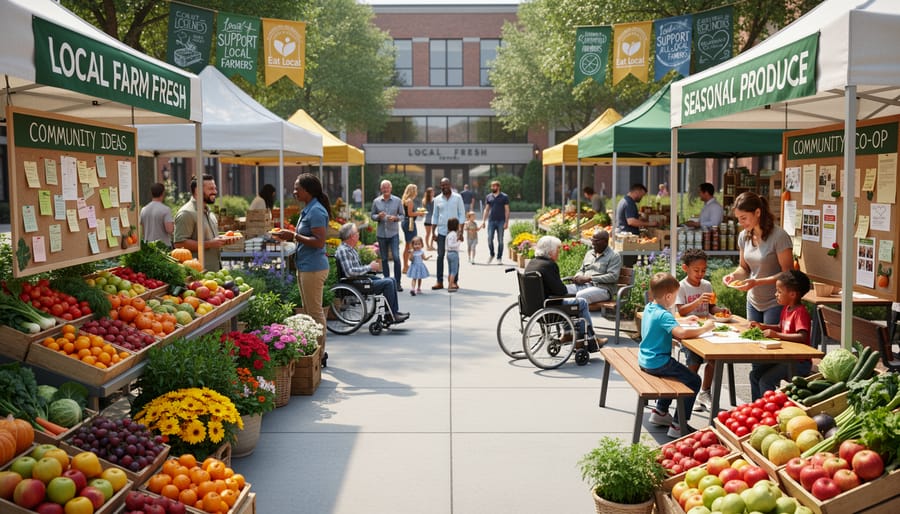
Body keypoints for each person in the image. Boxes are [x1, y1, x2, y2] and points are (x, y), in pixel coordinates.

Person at [641, 272, 714, 438]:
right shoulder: (664, 314)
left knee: (676, 374)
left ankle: (660, 412)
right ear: (668, 296)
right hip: (658, 362)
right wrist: (705, 328)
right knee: (694, 380)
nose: (675, 299)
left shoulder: (650, 307)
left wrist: (685, 321)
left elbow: (667, 323)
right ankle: (678, 425)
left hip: (646, 359)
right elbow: (680, 334)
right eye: (674, 296)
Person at [273, 173, 331, 366]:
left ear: (308, 190)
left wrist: (294, 236)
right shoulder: (309, 209)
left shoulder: (316, 211)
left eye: (298, 188)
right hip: (306, 266)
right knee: (309, 311)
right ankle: (315, 351)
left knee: (315, 312)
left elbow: (319, 241)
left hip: (313, 268)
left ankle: (320, 353)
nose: (294, 192)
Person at [724, 191, 794, 327]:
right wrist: (733, 276)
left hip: (775, 301)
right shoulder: (744, 236)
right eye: (738, 218)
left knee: (769, 344)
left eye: (743, 218)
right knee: (752, 342)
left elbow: (788, 273)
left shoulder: (779, 236)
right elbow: (744, 268)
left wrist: (756, 282)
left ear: (757, 212)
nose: (740, 223)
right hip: (753, 301)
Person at [675, 249, 732, 411]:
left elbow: (712, 307)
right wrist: (698, 300)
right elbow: (682, 311)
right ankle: (689, 394)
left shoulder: (706, 285)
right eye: (696, 270)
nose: (700, 274)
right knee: (694, 362)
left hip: (706, 328)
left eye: (704, 270)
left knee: (714, 359)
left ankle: (705, 392)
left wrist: (722, 311)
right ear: (685, 268)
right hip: (689, 332)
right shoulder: (682, 286)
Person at [525, 236, 605, 350]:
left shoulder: (532, 262)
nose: (559, 252)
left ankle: (568, 334)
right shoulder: (550, 265)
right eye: (558, 249)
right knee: (581, 302)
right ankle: (590, 339)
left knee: (569, 300)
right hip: (549, 306)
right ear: (550, 251)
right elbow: (561, 291)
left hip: (532, 306)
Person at [747, 270, 813, 400]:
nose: (776, 294)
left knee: (765, 381)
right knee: (754, 375)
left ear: (793, 294)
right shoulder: (787, 308)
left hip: (798, 363)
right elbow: (781, 327)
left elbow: (802, 336)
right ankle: (756, 407)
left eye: (779, 292)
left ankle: (767, 410)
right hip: (785, 359)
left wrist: (776, 334)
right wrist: (764, 326)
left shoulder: (800, 312)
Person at [335, 222, 409, 322]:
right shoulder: (343, 250)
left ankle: (392, 313)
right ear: (351, 236)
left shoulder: (350, 249)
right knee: (387, 283)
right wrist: (369, 267)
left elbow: (355, 269)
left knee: (391, 280)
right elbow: (349, 272)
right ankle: (390, 315)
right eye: (357, 232)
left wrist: (369, 268)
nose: (359, 234)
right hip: (355, 283)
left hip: (360, 279)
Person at [173, 175, 228, 271]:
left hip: (215, 270)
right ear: (198, 190)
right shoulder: (186, 213)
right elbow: (179, 244)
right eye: (211, 189)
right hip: (197, 273)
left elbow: (210, 240)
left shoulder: (209, 211)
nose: (215, 192)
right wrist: (210, 244)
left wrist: (223, 240)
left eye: (215, 188)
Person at [566, 230, 621, 304]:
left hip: (603, 289)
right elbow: (582, 270)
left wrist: (590, 278)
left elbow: (613, 276)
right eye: (592, 240)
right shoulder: (589, 253)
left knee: (581, 295)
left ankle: (581, 314)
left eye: (596, 241)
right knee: (563, 289)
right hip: (584, 285)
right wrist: (578, 277)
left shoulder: (614, 256)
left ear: (605, 241)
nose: (593, 243)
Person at [432, 177, 466, 290]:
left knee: (454, 257)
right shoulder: (437, 199)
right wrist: (433, 232)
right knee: (440, 256)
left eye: (446, 184)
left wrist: (460, 231)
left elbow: (462, 214)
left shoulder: (457, 198)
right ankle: (439, 281)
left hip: (454, 232)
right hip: (441, 232)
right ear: (440, 186)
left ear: (450, 185)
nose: (444, 187)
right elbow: (435, 216)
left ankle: (454, 282)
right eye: (442, 185)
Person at [371, 180, 405, 291]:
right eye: (383, 188)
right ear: (381, 189)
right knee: (384, 259)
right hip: (381, 234)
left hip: (393, 233)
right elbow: (372, 215)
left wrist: (396, 218)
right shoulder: (376, 201)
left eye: (387, 187)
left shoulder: (397, 200)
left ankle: (398, 283)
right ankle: (387, 283)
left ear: (391, 188)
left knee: (396, 257)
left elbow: (402, 216)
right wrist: (378, 217)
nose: (385, 189)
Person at [480, 179, 510, 264]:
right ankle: (492, 254)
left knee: (500, 240)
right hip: (491, 221)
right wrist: (483, 221)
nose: (492, 187)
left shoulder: (504, 197)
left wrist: (506, 222)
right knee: (489, 239)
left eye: (494, 186)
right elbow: (486, 209)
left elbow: (507, 210)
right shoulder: (489, 196)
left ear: (498, 187)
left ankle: (499, 258)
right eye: (492, 186)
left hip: (501, 221)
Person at [400, 184, 424, 277]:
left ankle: (406, 266)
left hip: (406, 222)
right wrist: (419, 213)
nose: (417, 192)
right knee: (409, 246)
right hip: (409, 223)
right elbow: (410, 213)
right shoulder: (410, 201)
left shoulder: (405, 200)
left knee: (408, 245)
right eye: (416, 190)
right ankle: (406, 266)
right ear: (413, 191)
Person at [141, 182, 174, 247]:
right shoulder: (166, 210)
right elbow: (169, 230)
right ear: (163, 193)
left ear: (151, 193)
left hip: (148, 247)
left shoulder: (144, 210)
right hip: (163, 247)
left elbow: (143, 231)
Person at [446, 217, 461, 292]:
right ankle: (450, 286)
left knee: (450, 270)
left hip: (448, 253)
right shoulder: (454, 234)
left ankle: (450, 284)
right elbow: (451, 245)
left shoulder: (449, 234)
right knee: (454, 271)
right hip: (453, 253)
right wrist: (458, 242)